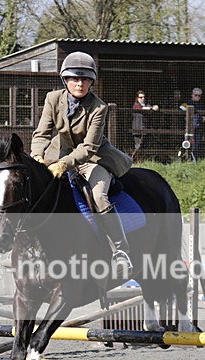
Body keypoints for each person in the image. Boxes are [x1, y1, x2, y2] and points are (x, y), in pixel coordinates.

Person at [30, 51, 134, 277]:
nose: (80, 83)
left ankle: (120, 250)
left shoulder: (99, 107)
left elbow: (88, 148)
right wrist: (37, 156)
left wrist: (64, 165)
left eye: (85, 79)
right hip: (59, 154)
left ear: (91, 82)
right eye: (74, 78)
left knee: (99, 196)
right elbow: (42, 133)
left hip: (93, 159)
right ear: (65, 80)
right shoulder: (52, 98)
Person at [131, 90, 159, 159]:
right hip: (137, 129)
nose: (143, 98)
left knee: (145, 146)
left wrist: (155, 107)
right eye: (141, 97)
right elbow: (143, 109)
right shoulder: (136, 105)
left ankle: (142, 160)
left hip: (146, 129)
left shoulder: (147, 105)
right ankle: (133, 158)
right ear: (137, 98)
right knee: (138, 146)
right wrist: (152, 108)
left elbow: (154, 107)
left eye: (144, 97)